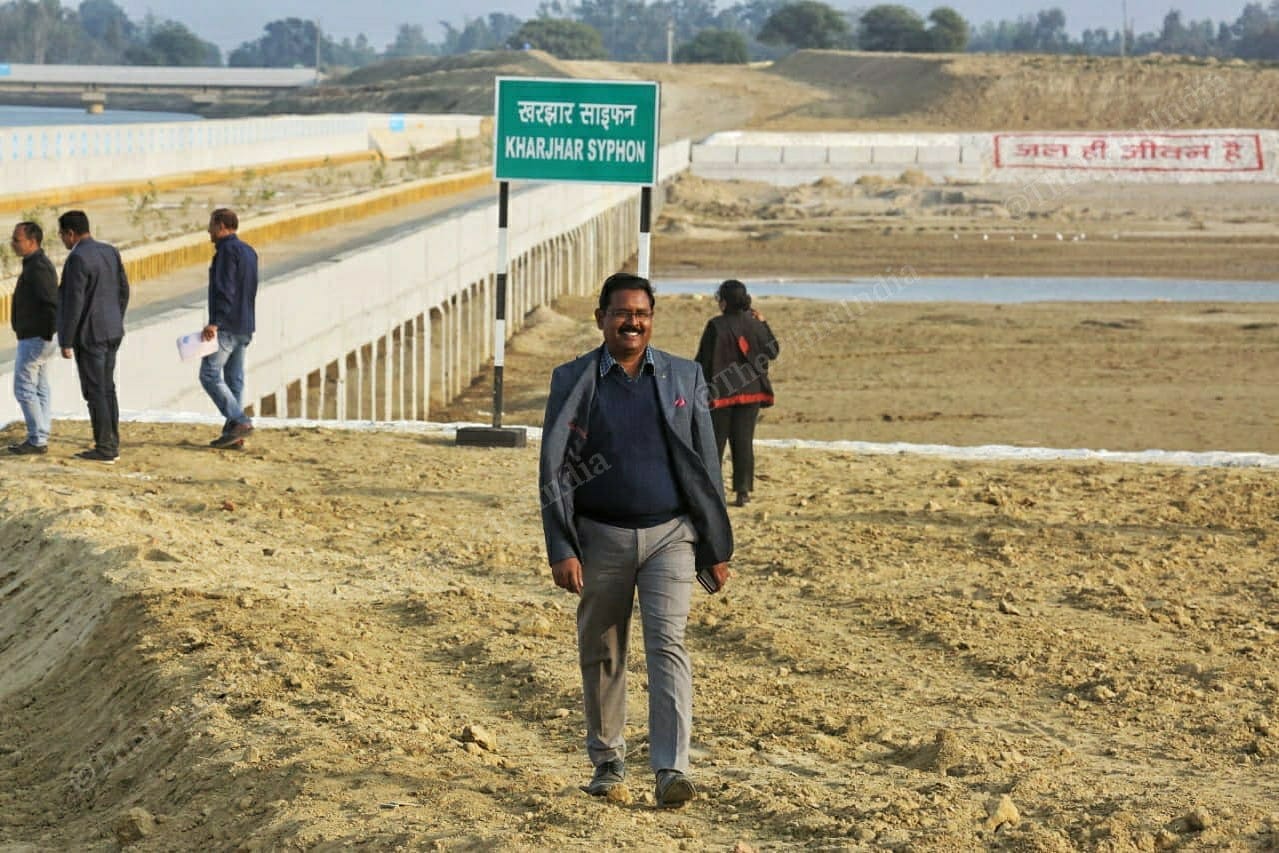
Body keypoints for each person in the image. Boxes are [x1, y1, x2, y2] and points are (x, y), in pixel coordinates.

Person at [539, 272, 733, 809]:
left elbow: (705, 466)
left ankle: (672, 768)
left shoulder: (683, 376)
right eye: (621, 313)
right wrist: (561, 545)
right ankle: (608, 762)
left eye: (641, 314)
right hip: (599, 535)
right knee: (604, 647)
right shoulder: (573, 379)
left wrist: (715, 546)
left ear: (652, 318)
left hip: (672, 535)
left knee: (668, 644)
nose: (632, 322)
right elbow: (553, 466)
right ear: (601, 318)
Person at [694, 279, 780, 507]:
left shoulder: (715, 325)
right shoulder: (756, 324)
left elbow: (703, 361)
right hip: (751, 392)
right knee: (744, 443)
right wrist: (765, 324)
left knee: (715, 444)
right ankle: (743, 492)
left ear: (724, 302)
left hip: (721, 392)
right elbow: (773, 351)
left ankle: (711, 492)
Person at [56, 210, 129, 464]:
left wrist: (65, 340)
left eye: (62, 235)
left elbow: (73, 303)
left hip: (91, 335)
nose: (63, 241)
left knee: (95, 390)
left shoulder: (77, 258)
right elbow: (123, 290)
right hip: (112, 330)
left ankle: (106, 447)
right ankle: (112, 441)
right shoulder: (109, 251)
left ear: (70, 234)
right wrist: (116, 318)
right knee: (107, 388)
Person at [200, 208, 259, 449]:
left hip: (226, 326)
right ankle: (234, 434)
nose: (208, 231)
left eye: (211, 226)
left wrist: (215, 322)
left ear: (222, 226)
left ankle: (239, 421)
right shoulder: (248, 251)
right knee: (234, 380)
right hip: (245, 324)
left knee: (209, 375)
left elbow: (225, 290)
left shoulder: (226, 252)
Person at [8, 221, 59, 455]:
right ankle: (41, 433)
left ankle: (37, 438)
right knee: (39, 386)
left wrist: (48, 332)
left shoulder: (38, 268)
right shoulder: (35, 264)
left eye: (16, 240)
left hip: (36, 337)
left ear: (32, 241)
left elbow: (51, 302)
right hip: (39, 335)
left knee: (24, 387)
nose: (13, 244)